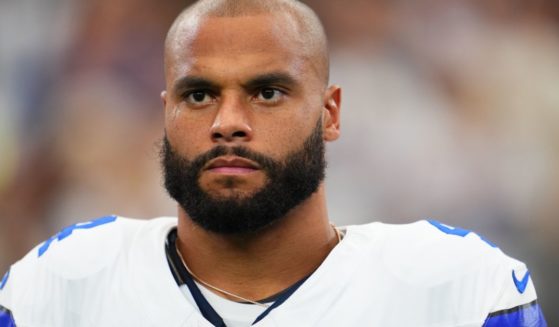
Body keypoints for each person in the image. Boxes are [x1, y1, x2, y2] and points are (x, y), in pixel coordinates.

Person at [0, 0, 548, 326]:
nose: (228, 121)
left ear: (330, 113)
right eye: (198, 95)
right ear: (165, 114)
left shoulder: (459, 289)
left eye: (267, 93)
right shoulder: (63, 284)